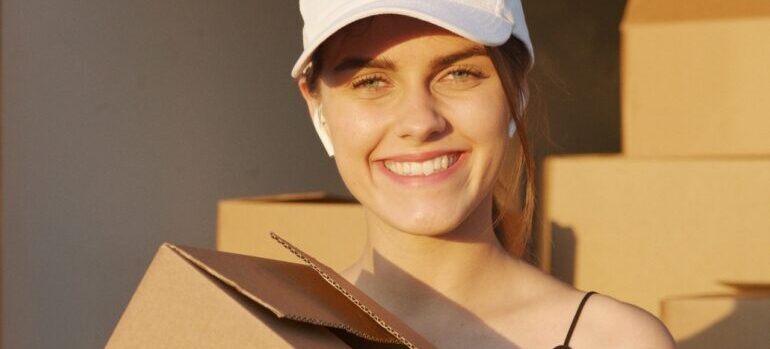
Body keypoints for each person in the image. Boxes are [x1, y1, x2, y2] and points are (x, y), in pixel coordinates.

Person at [292, 1, 675, 348]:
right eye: (371, 81)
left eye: (459, 74)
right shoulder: (267, 334)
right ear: (316, 106)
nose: (420, 122)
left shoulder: (614, 342)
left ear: (516, 93)